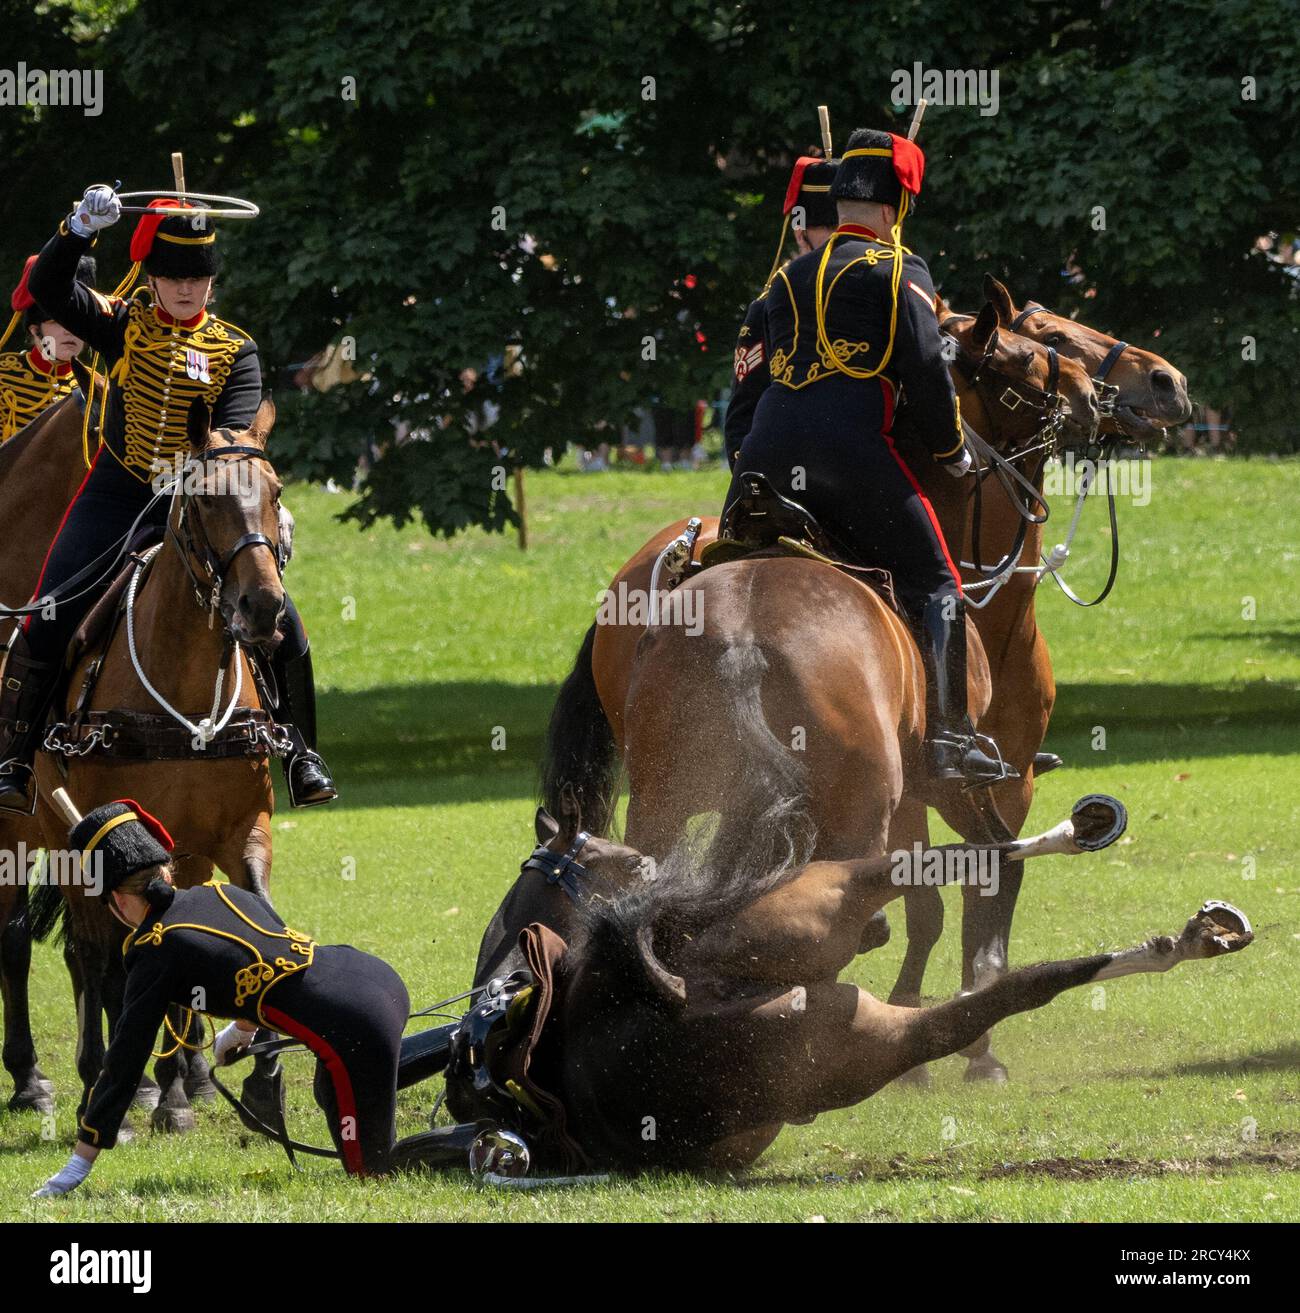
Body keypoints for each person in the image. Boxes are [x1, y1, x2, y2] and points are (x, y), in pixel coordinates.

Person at [0, 186, 336, 813]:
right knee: (46, 615)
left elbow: (235, 442)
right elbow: (47, 290)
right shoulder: (122, 324)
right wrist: (76, 230)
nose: (186, 289)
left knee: (282, 620)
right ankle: (16, 759)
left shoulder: (237, 351)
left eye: (198, 278)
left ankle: (300, 752)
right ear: (151, 278)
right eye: (174, 276)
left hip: (198, 503)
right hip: (119, 492)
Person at [723, 127, 1015, 786]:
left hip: (763, 461)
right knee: (936, 582)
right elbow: (926, 369)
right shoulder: (901, 269)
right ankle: (949, 739)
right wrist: (950, 449)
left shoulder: (787, 279)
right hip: (847, 455)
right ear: (893, 211)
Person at [32, 799, 413, 1196]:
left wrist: (81, 1158)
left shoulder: (155, 946)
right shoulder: (221, 893)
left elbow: (125, 1061)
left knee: (372, 1174)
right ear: (165, 870)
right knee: (330, 1090)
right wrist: (243, 1029)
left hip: (355, 1026)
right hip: (376, 978)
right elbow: (270, 965)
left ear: (120, 900)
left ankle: (472, 1147)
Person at [724, 155, 840, 468]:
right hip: (789, 463)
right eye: (825, 228)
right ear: (800, 234)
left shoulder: (877, 293)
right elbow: (743, 412)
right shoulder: (768, 305)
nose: (835, 243)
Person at [0, 253, 96, 444]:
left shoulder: (94, 386)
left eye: (78, 322)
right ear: (35, 330)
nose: (70, 331)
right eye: (57, 322)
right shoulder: (4, 376)